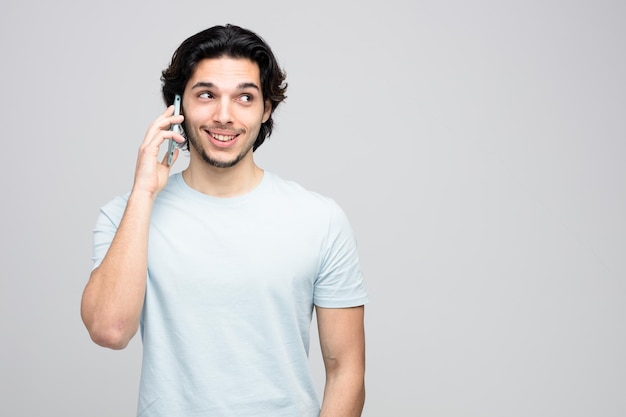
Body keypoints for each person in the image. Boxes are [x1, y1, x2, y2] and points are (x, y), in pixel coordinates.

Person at [81, 24, 369, 417]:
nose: (224, 116)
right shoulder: (127, 214)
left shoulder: (320, 219)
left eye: (245, 98)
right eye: (206, 95)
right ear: (178, 106)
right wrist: (144, 192)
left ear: (266, 109)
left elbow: (346, 371)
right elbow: (109, 330)